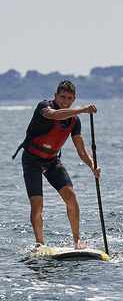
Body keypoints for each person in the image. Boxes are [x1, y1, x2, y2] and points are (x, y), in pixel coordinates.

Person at [13, 80, 100, 249]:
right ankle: (40, 244)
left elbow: (81, 151)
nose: (65, 101)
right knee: (37, 205)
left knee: (71, 198)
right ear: (55, 96)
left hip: (52, 161)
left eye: (69, 98)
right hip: (31, 161)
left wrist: (93, 166)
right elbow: (55, 115)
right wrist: (83, 109)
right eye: (62, 97)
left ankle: (77, 241)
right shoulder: (44, 107)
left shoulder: (75, 121)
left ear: (73, 99)